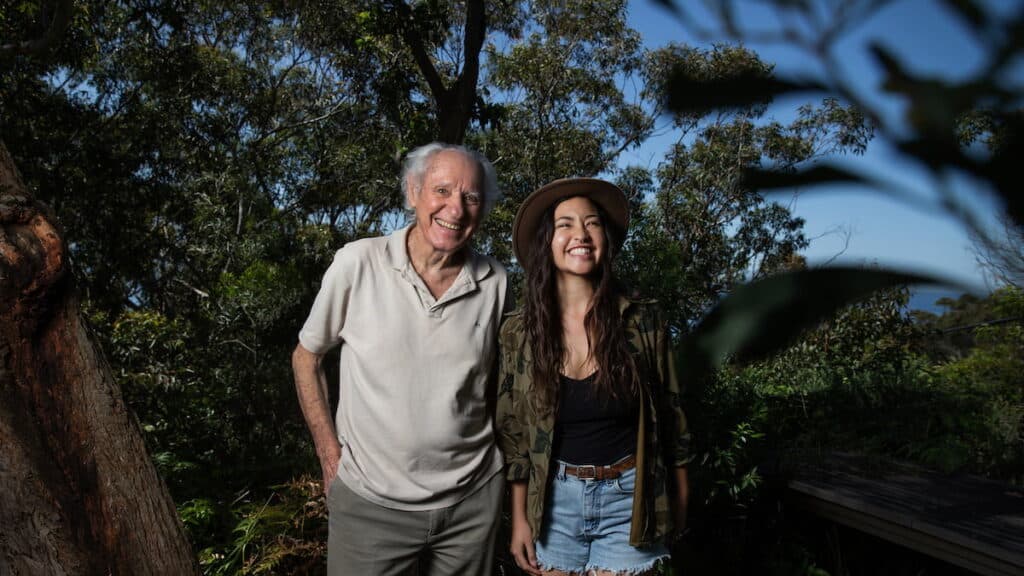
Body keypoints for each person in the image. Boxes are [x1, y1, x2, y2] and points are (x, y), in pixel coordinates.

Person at [292, 142, 508, 576]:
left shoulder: (495, 281)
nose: (456, 208)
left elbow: (496, 385)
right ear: (413, 192)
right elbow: (306, 357)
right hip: (370, 504)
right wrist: (328, 454)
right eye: (442, 191)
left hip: (471, 503)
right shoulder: (357, 263)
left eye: (470, 197)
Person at [497, 178, 691, 575]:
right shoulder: (518, 331)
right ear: (547, 241)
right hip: (553, 503)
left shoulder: (643, 319)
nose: (580, 234)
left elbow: (674, 418)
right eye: (565, 224)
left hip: (629, 499)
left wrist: (680, 502)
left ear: (605, 239)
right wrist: (520, 517)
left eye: (592, 223)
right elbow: (514, 433)